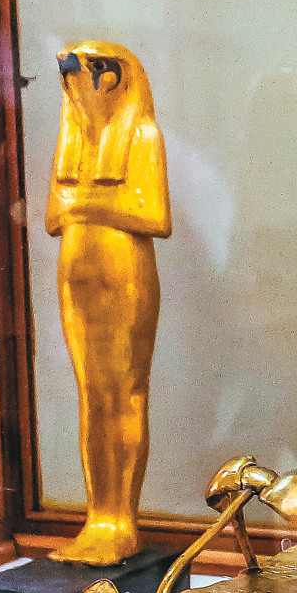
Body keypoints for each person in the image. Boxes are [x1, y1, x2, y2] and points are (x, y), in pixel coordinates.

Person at [46, 42, 171, 566]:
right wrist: (93, 204)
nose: (81, 87)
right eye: (71, 79)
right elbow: (54, 218)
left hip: (125, 275)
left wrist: (84, 204)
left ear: (118, 80)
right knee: (91, 397)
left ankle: (122, 521)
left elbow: (154, 216)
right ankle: (97, 517)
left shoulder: (142, 136)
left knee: (125, 395)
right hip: (76, 277)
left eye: (93, 74)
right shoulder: (74, 142)